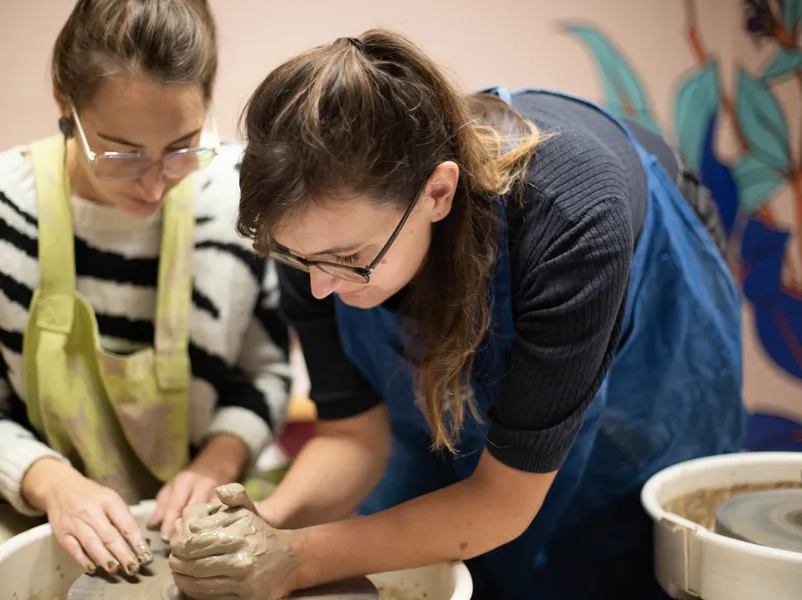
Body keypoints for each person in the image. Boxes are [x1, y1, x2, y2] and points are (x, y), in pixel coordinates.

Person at [166, 29, 746, 600]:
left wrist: (298, 559)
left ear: (438, 194)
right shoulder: (308, 230)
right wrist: (261, 529)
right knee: (414, 498)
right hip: (448, 267)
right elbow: (353, 439)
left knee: (602, 543)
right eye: (300, 260)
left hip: (647, 327)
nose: (319, 288)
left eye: (348, 260)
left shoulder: (572, 223)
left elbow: (501, 501)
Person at [0, 1, 290, 598]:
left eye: (183, 147)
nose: (155, 181)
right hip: (21, 503)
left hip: (196, 500)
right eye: (123, 154)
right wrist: (53, 483)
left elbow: (263, 373)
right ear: (65, 102)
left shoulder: (233, 202)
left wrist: (216, 464)